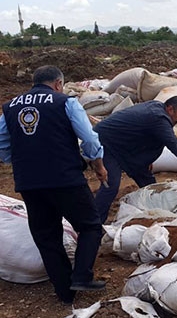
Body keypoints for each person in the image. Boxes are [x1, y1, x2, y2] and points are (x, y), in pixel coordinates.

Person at [0, 65, 109, 304]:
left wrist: (19, 160)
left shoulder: (9, 107)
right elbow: (89, 138)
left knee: (47, 236)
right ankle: (82, 275)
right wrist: (98, 165)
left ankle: (64, 292)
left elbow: (2, 144)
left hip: (29, 183)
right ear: (58, 83)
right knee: (90, 226)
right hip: (65, 179)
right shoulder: (65, 102)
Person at [93, 96, 177, 223]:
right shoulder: (159, 118)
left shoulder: (156, 107)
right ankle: (94, 222)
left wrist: (146, 158)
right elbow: (174, 145)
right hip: (106, 144)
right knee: (111, 185)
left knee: (149, 184)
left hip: (124, 147)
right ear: (170, 109)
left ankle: (157, 213)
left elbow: (146, 135)